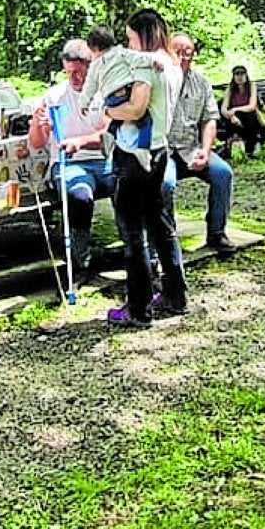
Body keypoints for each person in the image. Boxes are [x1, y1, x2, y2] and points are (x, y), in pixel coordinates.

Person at [84, 27, 183, 328]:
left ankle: (138, 308)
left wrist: (105, 108)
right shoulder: (165, 65)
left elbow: (135, 109)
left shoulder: (143, 70)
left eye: (131, 38)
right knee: (160, 224)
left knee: (133, 234)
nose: (127, 45)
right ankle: (175, 295)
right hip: (158, 150)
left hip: (136, 155)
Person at [27, 39, 108, 272]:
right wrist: (37, 125)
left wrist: (80, 142)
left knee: (128, 186)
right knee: (79, 196)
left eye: (80, 72)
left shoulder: (102, 94)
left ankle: (138, 248)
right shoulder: (54, 96)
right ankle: (80, 258)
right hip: (68, 162)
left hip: (103, 160)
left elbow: (108, 134)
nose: (75, 78)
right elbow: (37, 142)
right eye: (69, 72)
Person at [166, 31, 236, 254]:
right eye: (178, 52)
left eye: (188, 52)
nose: (184, 57)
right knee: (164, 184)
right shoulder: (157, 81)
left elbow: (209, 120)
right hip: (163, 150)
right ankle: (167, 238)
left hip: (190, 147)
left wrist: (206, 150)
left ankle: (217, 233)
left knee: (223, 173)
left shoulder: (202, 83)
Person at [218, 66, 265, 158]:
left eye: (242, 74)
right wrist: (231, 116)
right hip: (235, 118)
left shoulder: (251, 86)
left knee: (249, 116)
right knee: (228, 119)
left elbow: (252, 106)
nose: (240, 77)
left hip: (251, 117)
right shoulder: (230, 89)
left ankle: (255, 143)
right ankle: (232, 144)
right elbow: (223, 109)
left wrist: (235, 110)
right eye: (237, 74)